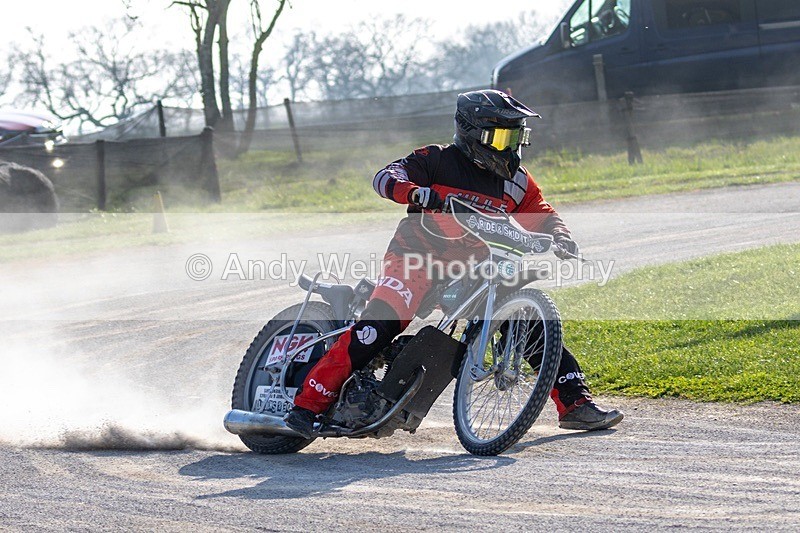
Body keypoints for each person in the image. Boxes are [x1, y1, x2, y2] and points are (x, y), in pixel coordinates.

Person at [285, 89, 623, 438]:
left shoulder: (517, 180)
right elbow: (385, 177)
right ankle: (306, 406)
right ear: (471, 131)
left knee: (523, 319)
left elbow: (542, 213)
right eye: (501, 136)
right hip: (415, 258)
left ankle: (576, 404)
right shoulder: (436, 159)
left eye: (515, 137)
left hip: (473, 268)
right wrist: (415, 192)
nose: (509, 147)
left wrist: (561, 236)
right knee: (380, 326)